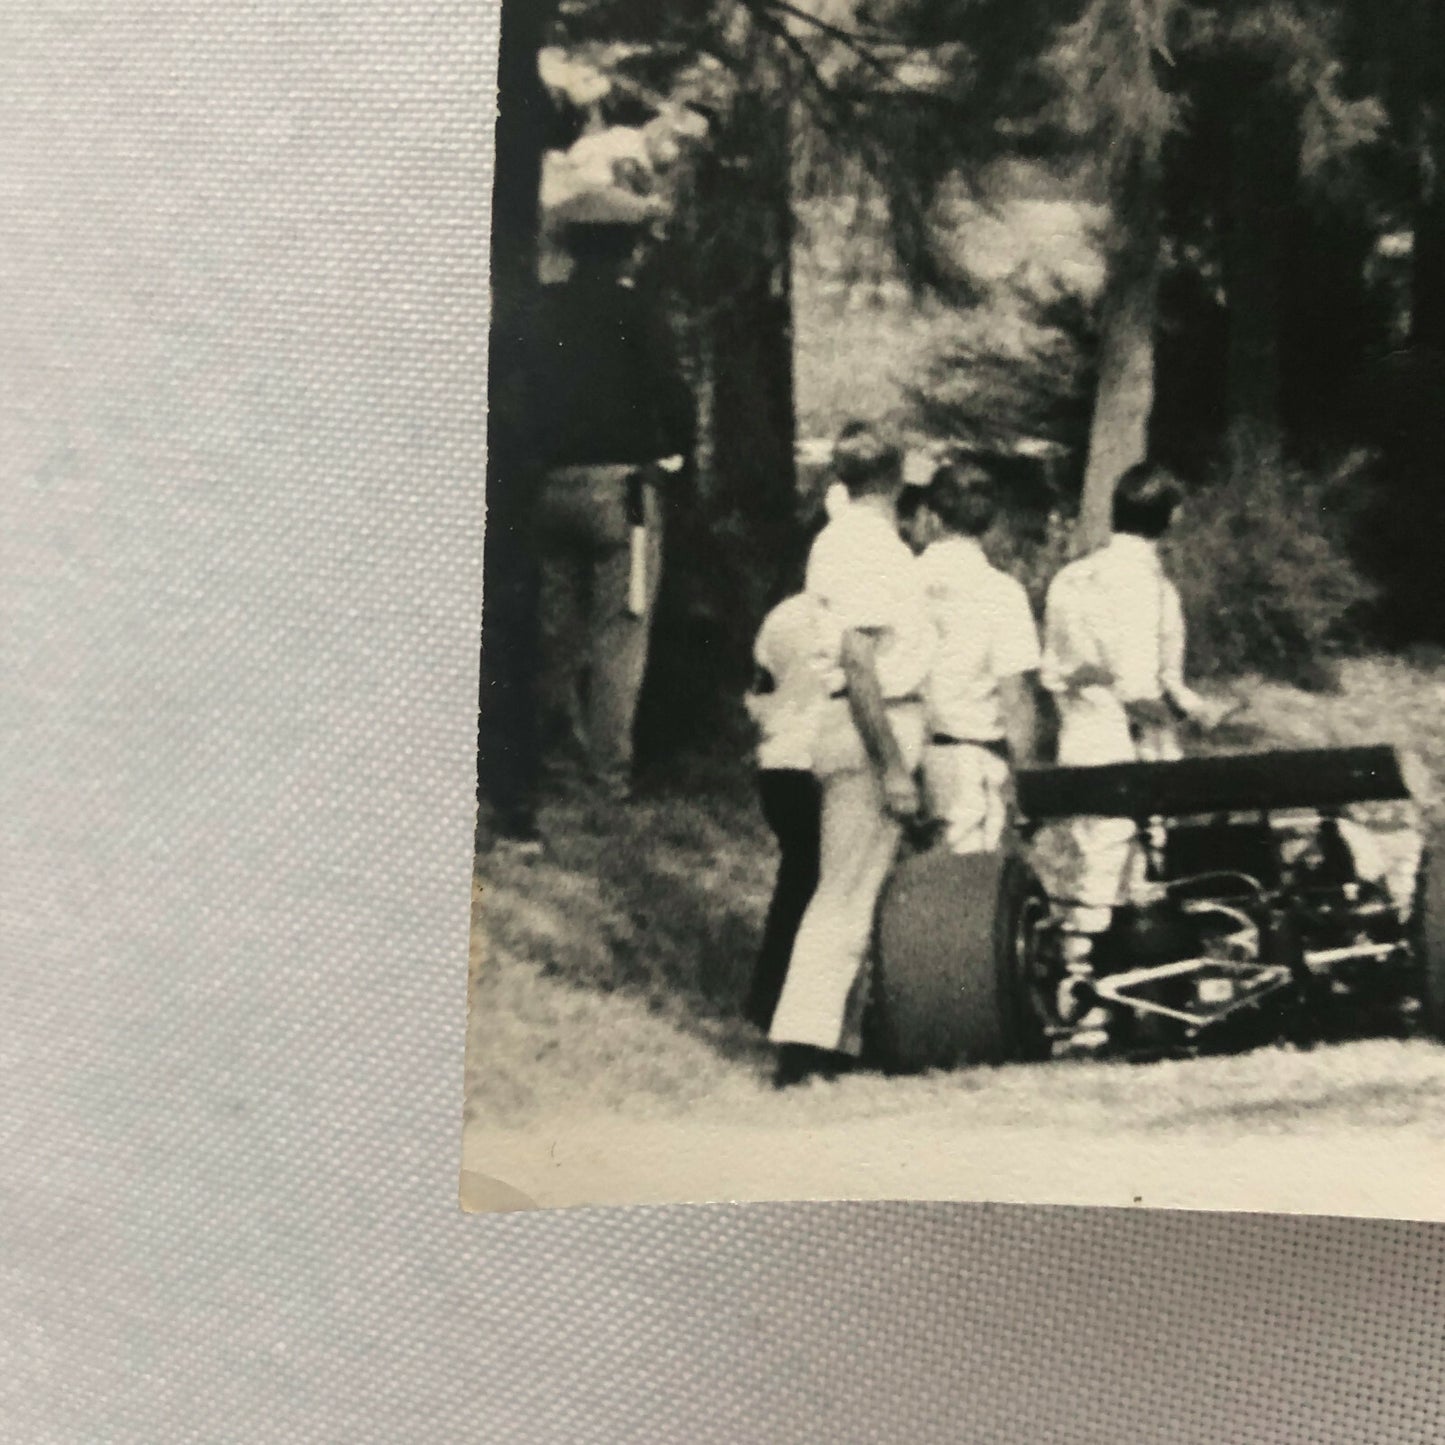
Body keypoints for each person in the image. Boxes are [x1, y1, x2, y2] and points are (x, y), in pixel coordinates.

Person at [768, 424, 934, 1087]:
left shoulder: (836, 539)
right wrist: (892, 764)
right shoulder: (871, 547)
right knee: (845, 892)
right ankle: (804, 1043)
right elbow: (860, 659)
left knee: (854, 889)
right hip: (874, 722)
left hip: (843, 721)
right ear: (894, 478)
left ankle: (835, 1037)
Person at [1037, 461, 1225, 1041]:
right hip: (1130, 747)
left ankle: (1102, 994)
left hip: (1082, 741)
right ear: (1169, 517)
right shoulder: (1148, 586)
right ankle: (1107, 999)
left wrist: (1197, 706)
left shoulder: (1072, 578)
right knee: (1132, 870)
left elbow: (1058, 672)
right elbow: (1144, 687)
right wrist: (1182, 717)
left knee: (1095, 867)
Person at [528, 188, 696, 803]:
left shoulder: (539, 310)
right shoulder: (638, 314)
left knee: (554, 632)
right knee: (619, 637)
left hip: (546, 487)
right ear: (628, 249)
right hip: (620, 493)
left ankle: (555, 768)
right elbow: (675, 396)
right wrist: (674, 458)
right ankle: (606, 777)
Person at [913, 460, 1042, 855]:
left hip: (902, 751)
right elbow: (1014, 696)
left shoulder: (902, 580)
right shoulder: (1001, 593)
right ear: (989, 521)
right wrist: (1025, 778)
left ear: (932, 517)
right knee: (970, 890)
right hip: (970, 756)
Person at [741, 592, 836, 1033]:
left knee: (796, 882)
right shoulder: (856, 615)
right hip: (816, 762)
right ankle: (800, 1009)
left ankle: (768, 997)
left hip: (777, 765)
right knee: (824, 891)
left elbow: (758, 689)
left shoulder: (782, 614)